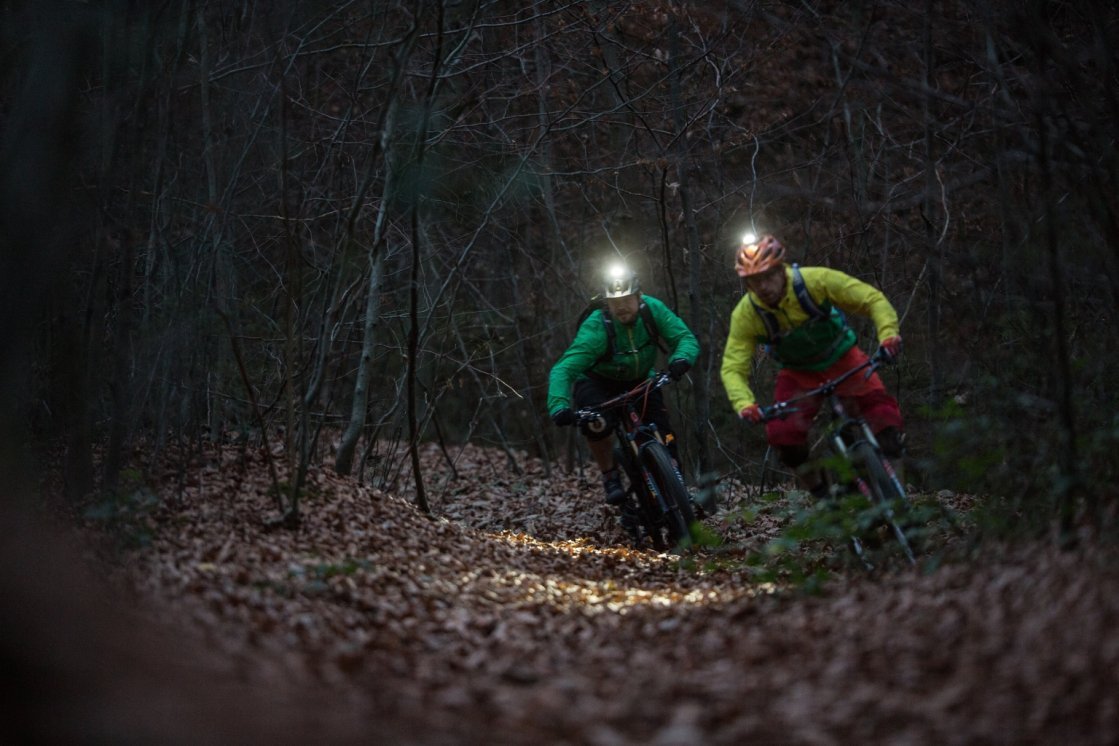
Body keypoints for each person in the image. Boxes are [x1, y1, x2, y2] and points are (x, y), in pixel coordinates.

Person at [720, 234, 905, 499]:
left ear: (780, 268)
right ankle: (822, 496)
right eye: (753, 281)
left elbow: (871, 299)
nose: (763, 286)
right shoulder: (746, 315)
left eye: (768, 276)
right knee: (784, 436)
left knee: (884, 419)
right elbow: (733, 367)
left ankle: (900, 502)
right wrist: (745, 405)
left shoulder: (814, 281)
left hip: (843, 359)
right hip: (799, 374)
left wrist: (888, 336)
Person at [548, 265, 700, 504]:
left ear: (638, 297)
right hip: (598, 382)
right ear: (607, 303)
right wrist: (559, 406)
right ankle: (610, 475)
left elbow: (684, 338)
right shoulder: (597, 327)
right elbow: (564, 368)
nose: (621, 306)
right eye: (614, 301)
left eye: (627, 299)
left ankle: (677, 487)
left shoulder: (653, 310)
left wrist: (680, 359)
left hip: (640, 380)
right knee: (596, 424)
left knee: (664, 432)